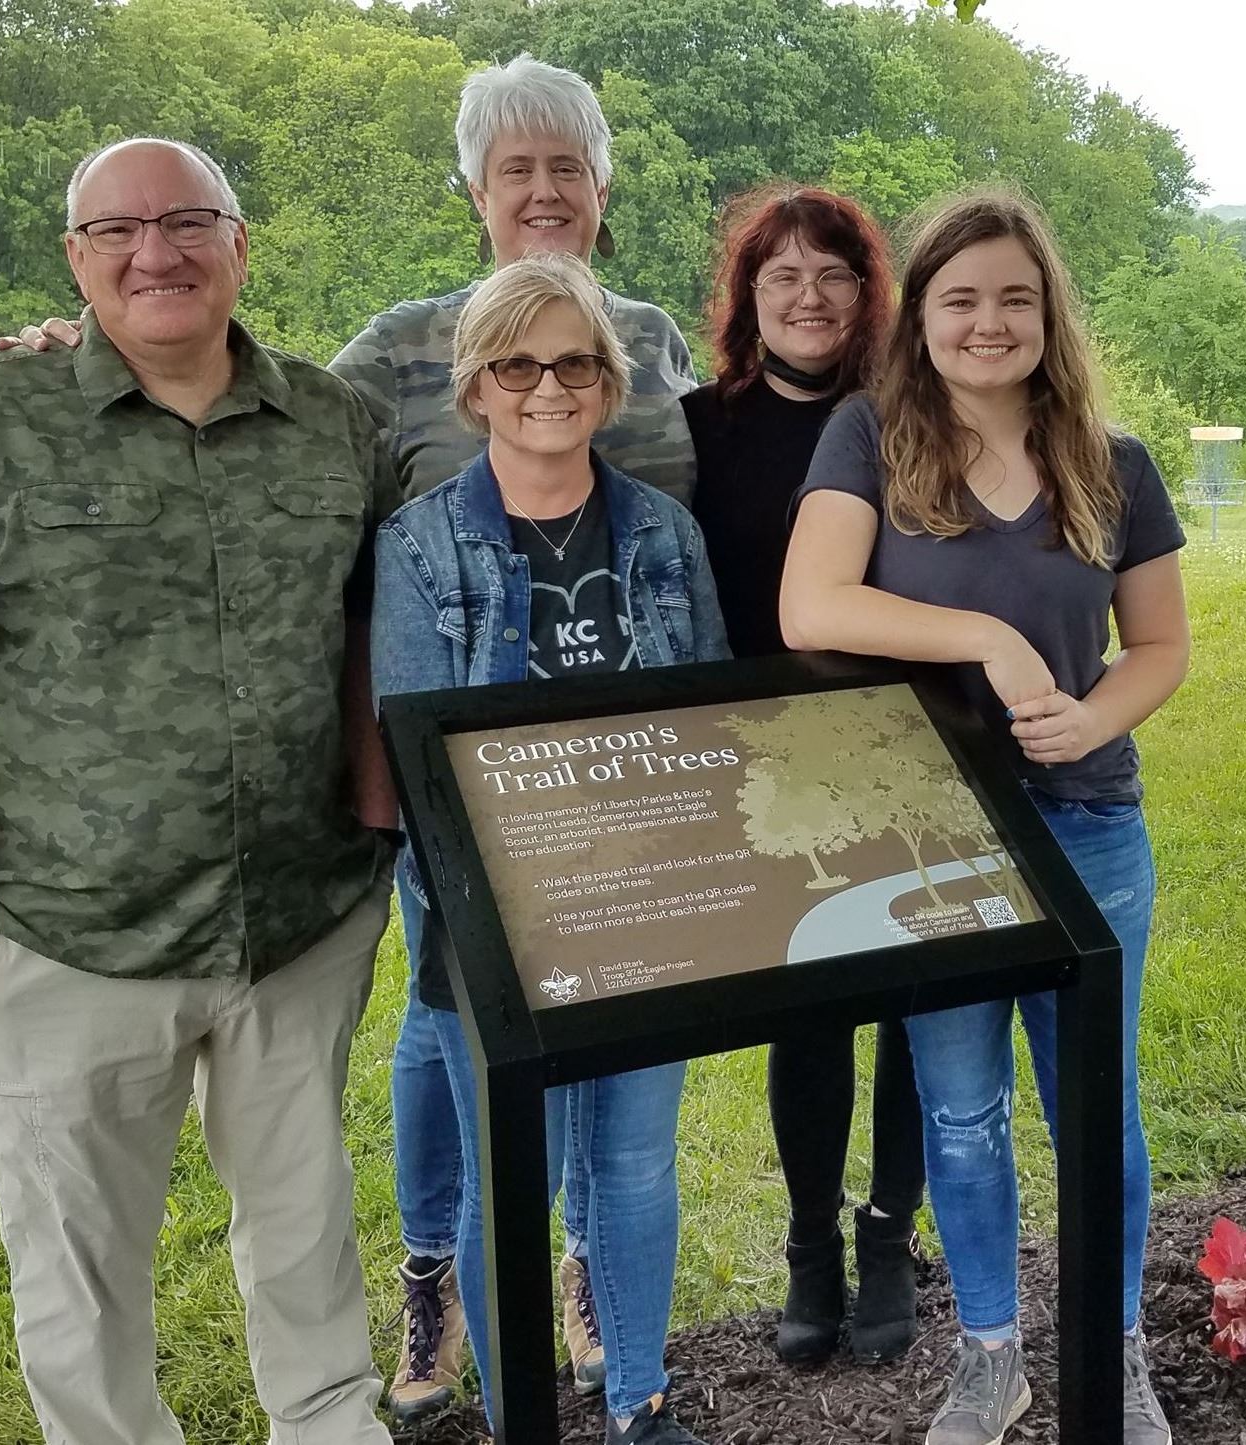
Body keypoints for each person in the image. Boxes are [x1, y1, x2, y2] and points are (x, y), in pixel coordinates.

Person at [0, 54, 695, 1417]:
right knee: (449, 1033)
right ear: (475, 191)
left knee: (608, 1057)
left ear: (602, 192)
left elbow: (704, 500)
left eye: (567, 167)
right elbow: (257, 429)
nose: (542, 190)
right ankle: (435, 1282)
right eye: (516, 169)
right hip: (454, 772)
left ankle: (574, 1279)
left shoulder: (656, 339)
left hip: (624, 777)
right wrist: (92, 353)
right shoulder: (398, 348)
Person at [0, 137, 402, 1445]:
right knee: (82, 1287)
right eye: (119, 231)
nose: (158, 251)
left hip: (299, 925)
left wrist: (371, 827)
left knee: (308, 1239)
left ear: (241, 243)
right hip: (62, 937)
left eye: (189, 220)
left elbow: (380, 620)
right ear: (75, 259)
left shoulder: (336, 426)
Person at [779, 191, 1191, 1445]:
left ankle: (1113, 1351)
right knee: (958, 1112)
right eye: (959, 299)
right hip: (931, 839)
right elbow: (812, 605)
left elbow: (1160, 644)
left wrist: (1099, 714)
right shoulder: (866, 437)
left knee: (1094, 1112)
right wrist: (988, 636)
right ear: (923, 316)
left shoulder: (1112, 462)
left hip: (1089, 832)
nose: (987, 321)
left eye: (1015, 296)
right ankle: (992, 1356)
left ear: (1048, 311)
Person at [370, 251, 728, 1445]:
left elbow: (709, 726)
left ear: (607, 379)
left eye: (573, 361)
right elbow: (421, 765)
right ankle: (525, 1411)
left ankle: (637, 1400)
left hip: (645, 902)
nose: (547, 385)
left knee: (629, 1164)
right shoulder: (420, 548)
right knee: (505, 1176)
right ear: (475, 385)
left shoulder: (666, 536)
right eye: (517, 363)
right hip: (492, 915)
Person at [677, 184, 925, 1366]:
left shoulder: (906, 418)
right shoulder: (694, 424)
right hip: (773, 758)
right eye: (782, 275)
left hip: (913, 741)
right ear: (748, 300)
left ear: (865, 293)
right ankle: (811, 1245)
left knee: (920, 1009)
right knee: (813, 1010)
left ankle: (890, 1237)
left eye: (832, 272)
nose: (809, 295)